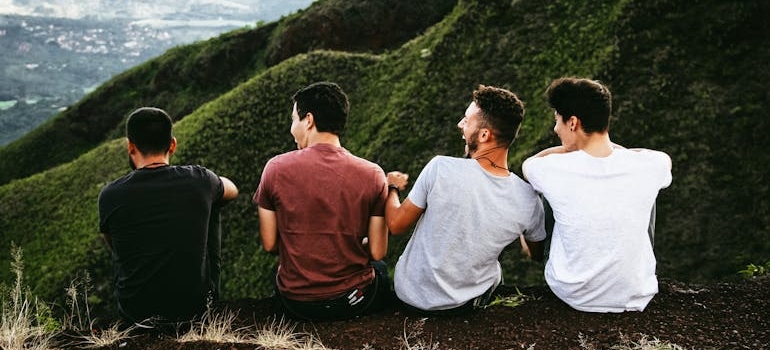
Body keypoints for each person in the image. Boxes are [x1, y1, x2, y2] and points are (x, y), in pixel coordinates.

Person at [385, 85, 547, 315]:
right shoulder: (528, 199)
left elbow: (396, 224)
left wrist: (391, 187)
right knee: (495, 270)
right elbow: (536, 254)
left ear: (484, 135)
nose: (460, 125)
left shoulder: (440, 168)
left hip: (410, 297)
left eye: (466, 120)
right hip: (464, 305)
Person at [522, 77, 672, 313]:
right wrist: (612, 151)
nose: (555, 129)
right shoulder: (651, 165)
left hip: (573, 293)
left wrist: (567, 150)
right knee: (646, 191)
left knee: (544, 193)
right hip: (635, 294)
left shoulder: (550, 168)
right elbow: (658, 158)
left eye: (557, 121)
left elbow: (529, 165)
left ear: (573, 123)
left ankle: (538, 256)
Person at [254, 81, 392, 321]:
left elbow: (270, 244)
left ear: (309, 120)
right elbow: (378, 251)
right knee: (380, 270)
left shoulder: (275, 168)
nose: (291, 128)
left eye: (293, 120)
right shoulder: (373, 174)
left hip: (296, 303)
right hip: (352, 301)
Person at [98, 107, 239, 326]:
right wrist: (209, 186)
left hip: (135, 312)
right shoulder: (199, 179)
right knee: (214, 203)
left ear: (130, 146)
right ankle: (210, 299)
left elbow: (114, 246)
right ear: (172, 144)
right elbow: (233, 190)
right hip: (193, 309)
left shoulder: (110, 195)